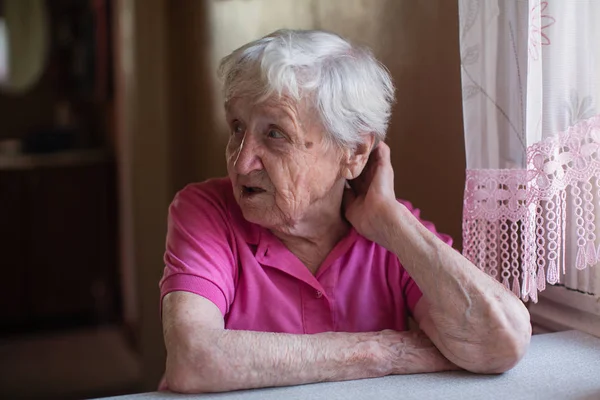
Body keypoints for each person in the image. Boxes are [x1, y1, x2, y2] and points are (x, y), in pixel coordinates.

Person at [159, 29, 531, 394]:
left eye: (275, 133)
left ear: (354, 152)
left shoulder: (389, 231)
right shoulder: (206, 211)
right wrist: (383, 352)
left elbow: (502, 342)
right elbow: (193, 358)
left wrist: (392, 222)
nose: (241, 163)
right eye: (237, 127)